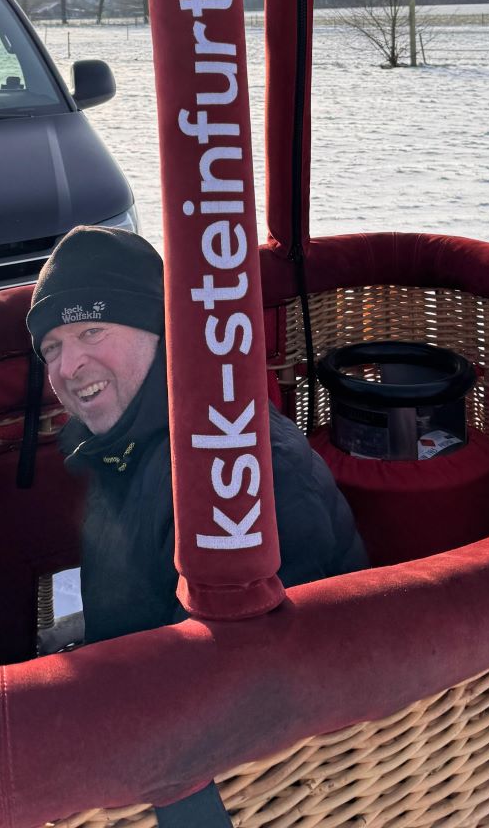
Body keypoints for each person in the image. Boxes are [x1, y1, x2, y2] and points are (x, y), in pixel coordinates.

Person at [27, 224, 367, 644]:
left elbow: (244, 660)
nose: (67, 367)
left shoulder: (238, 469)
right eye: (52, 348)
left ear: (159, 331)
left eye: (91, 331)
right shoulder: (116, 443)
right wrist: (89, 635)